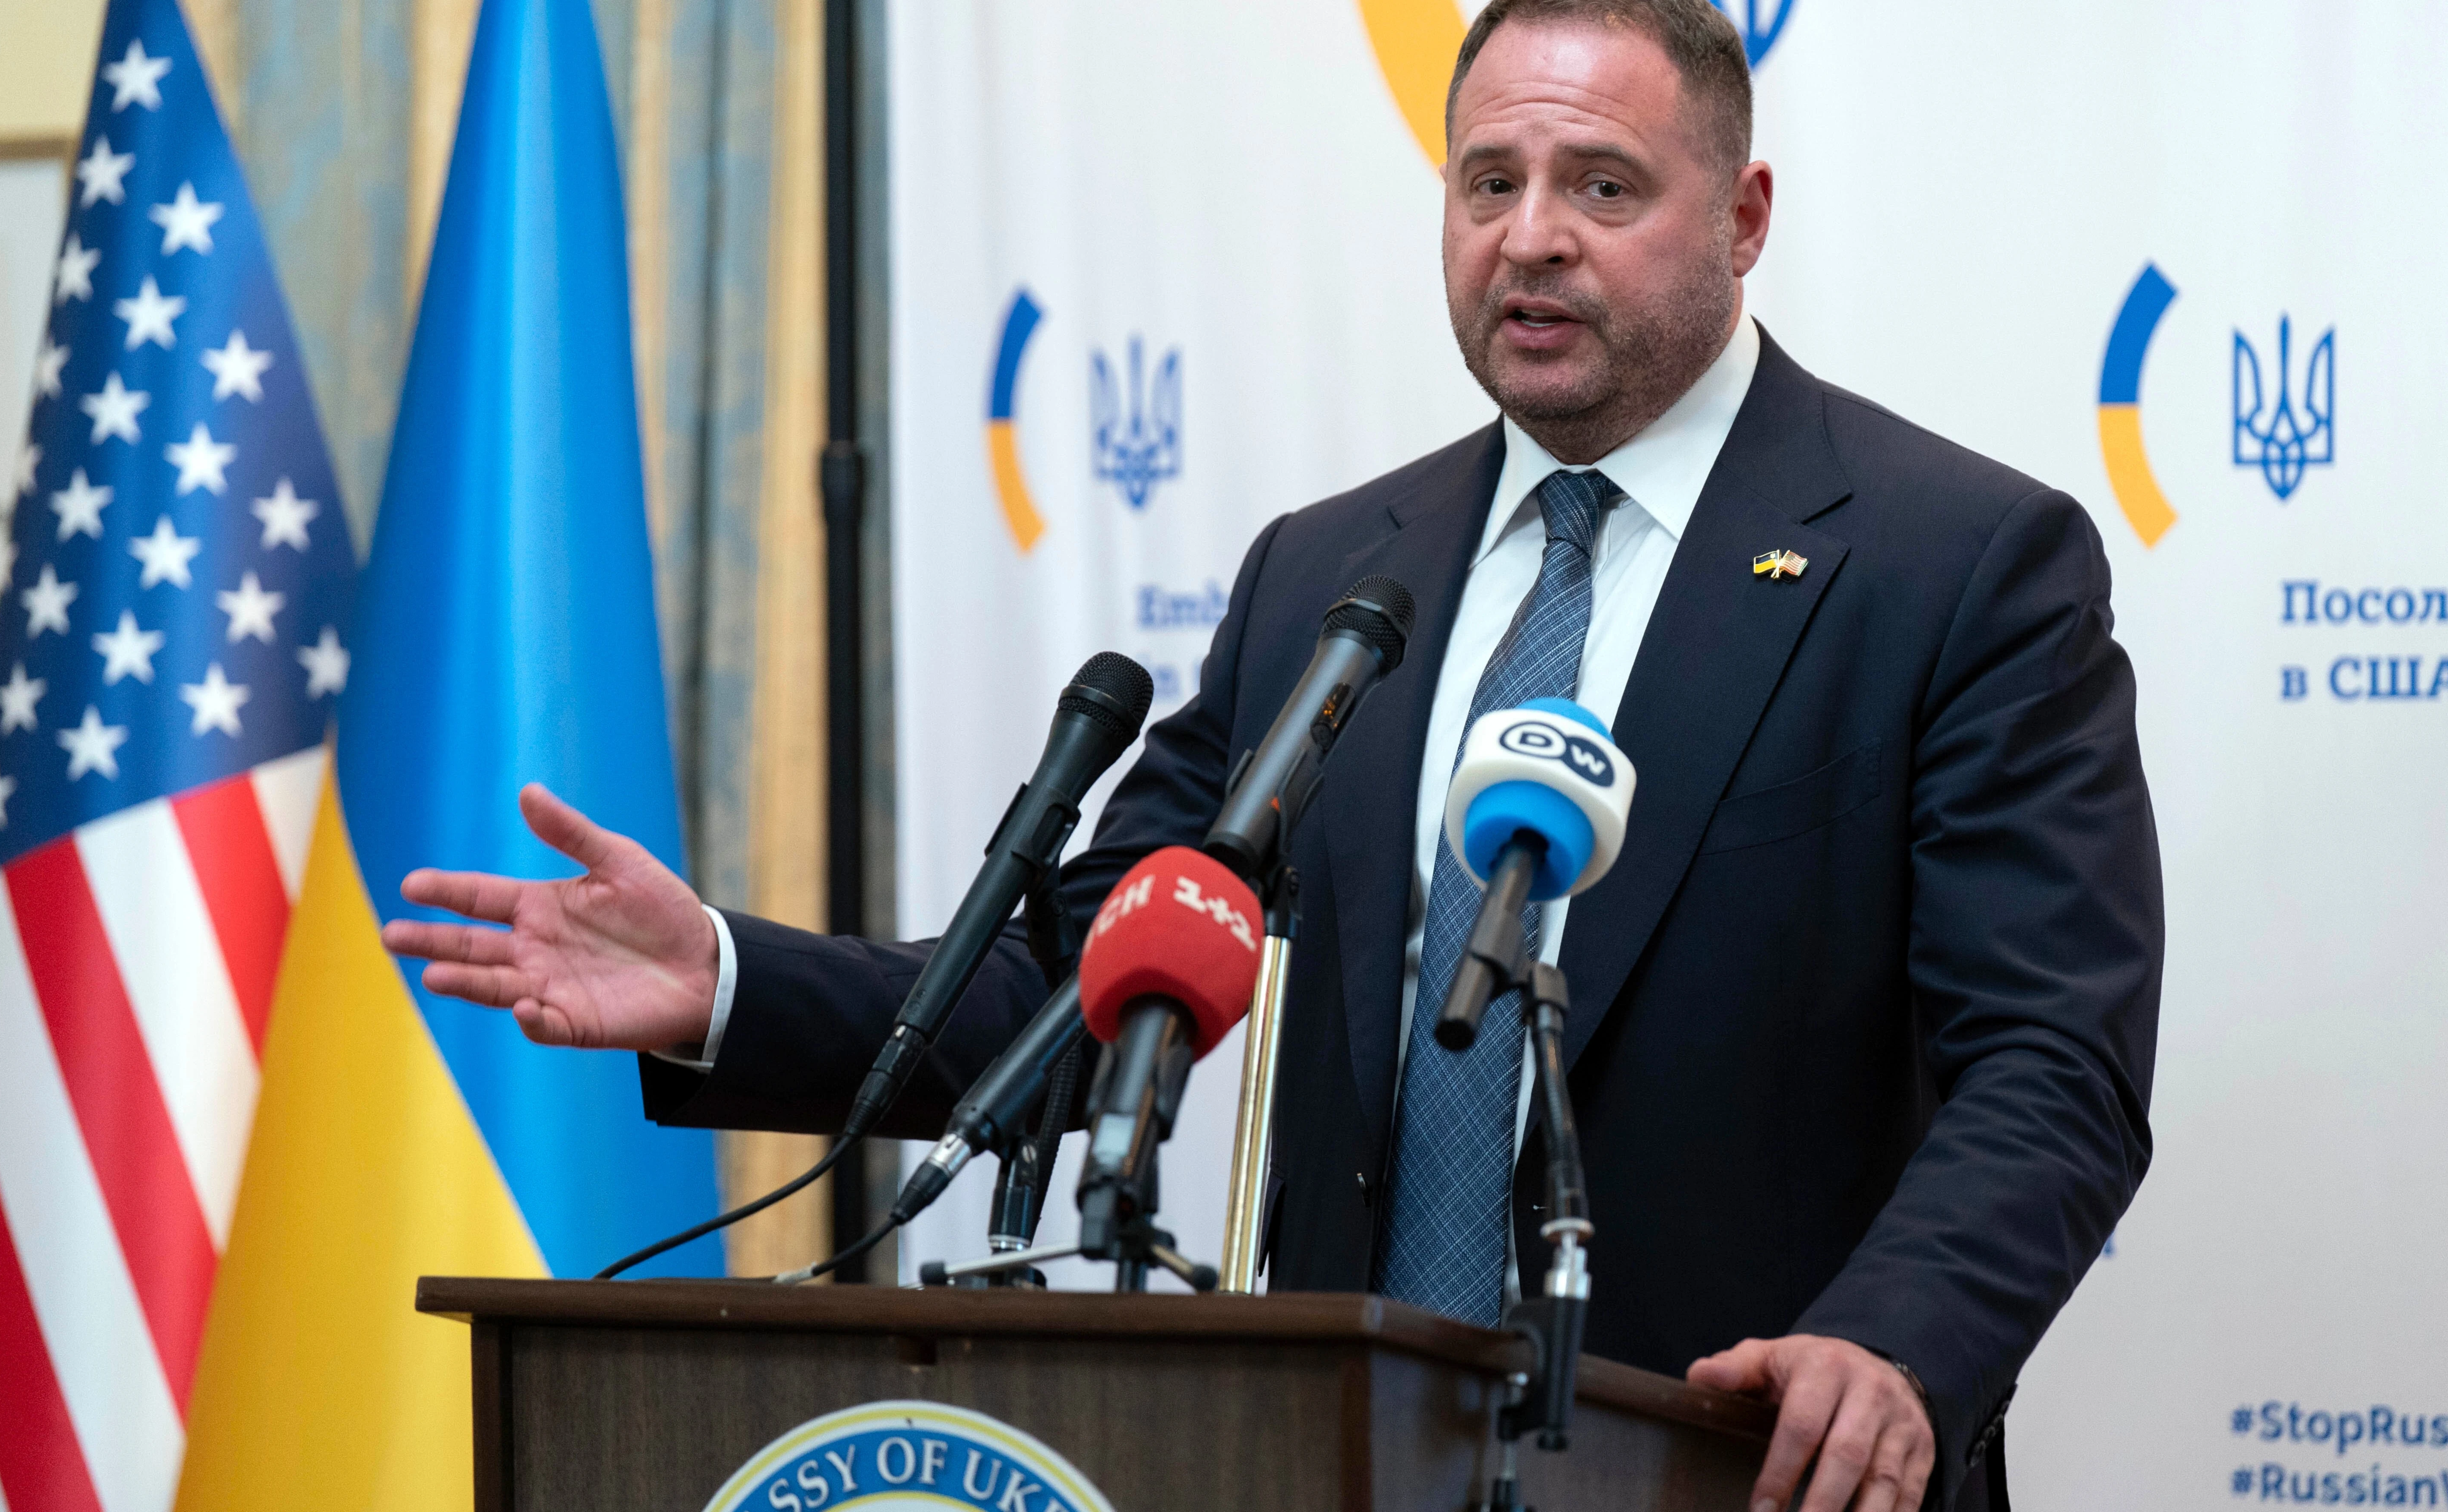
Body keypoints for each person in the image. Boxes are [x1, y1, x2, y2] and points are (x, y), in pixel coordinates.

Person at [383, 3, 2163, 1509]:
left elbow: (2054, 1059)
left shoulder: (1952, 567)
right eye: (1489, 183)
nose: (1530, 236)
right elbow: (1092, 987)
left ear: (1746, 213)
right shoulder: (1339, 577)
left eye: (1601, 187)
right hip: (1338, 1458)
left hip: (1729, 1463)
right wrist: (718, 978)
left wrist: (1897, 1339)